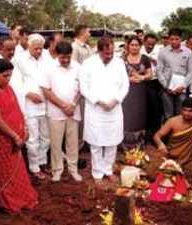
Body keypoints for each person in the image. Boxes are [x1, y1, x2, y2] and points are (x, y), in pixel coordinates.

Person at [0, 59, 38, 213]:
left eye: (10, 76)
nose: (8, 79)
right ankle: (7, 202)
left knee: (18, 169)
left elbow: (17, 108)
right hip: (1, 139)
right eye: (5, 76)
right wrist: (14, 136)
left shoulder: (8, 88)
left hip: (15, 137)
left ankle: (22, 198)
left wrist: (24, 127)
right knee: (4, 172)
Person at [79, 36, 129, 184]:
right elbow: (83, 87)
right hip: (95, 109)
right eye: (106, 53)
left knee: (112, 142)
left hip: (114, 108)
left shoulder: (119, 63)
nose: (109, 56)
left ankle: (108, 170)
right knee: (95, 143)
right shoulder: (88, 63)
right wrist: (98, 101)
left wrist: (116, 100)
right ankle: (97, 174)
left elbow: (125, 86)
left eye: (111, 53)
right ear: (99, 51)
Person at [40, 41, 83, 182]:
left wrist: (72, 105)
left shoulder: (77, 67)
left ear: (71, 55)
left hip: (73, 111)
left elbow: (81, 89)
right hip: (55, 112)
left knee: (73, 143)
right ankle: (57, 170)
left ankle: (73, 169)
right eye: (62, 57)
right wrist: (63, 106)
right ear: (57, 55)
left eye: (68, 57)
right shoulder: (48, 67)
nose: (65, 60)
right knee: (56, 144)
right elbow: (46, 90)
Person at [15, 33, 50, 179]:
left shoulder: (47, 58)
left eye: (41, 48)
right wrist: (28, 94)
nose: (39, 51)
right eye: (36, 49)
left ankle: (43, 162)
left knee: (46, 137)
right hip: (29, 105)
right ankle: (34, 168)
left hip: (46, 105)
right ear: (28, 46)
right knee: (33, 138)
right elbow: (15, 83)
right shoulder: (19, 59)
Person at [153, 97, 192, 181]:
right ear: (181, 110)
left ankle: (181, 178)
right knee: (153, 169)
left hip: (189, 162)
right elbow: (156, 136)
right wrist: (160, 144)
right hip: (170, 158)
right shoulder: (173, 121)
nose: (187, 113)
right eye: (185, 110)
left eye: (190, 111)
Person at [157, 28, 192, 120]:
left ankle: (179, 134)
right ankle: (169, 133)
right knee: (168, 115)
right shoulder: (163, 52)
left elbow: (190, 72)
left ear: (181, 39)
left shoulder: (188, 52)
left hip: (181, 90)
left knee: (181, 115)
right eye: (172, 39)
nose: (174, 41)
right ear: (169, 39)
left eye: (177, 39)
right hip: (167, 89)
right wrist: (166, 86)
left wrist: (183, 86)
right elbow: (159, 70)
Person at [121, 36, 152, 149]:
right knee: (127, 115)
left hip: (140, 92)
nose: (134, 47)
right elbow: (117, 76)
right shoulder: (122, 59)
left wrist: (141, 78)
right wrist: (128, 79)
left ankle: (138, 144)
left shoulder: (145, 58)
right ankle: (125, 144)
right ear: (128, 46)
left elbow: (150, 75)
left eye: (137, 45)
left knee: (139, 114)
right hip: (126, 92)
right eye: (132, 45)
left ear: (140, 46)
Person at [141, 33, 164, 141]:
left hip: (155, 82)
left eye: (153, 44)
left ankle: (154, 136)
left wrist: (157, 63)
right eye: (148, 44)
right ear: (144, 42)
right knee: (143, 109)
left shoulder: (159, 52)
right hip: (141, 82)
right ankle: (142, 136)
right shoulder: (139, 51)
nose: (150, 46)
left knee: (155, 109)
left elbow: (164, 67)